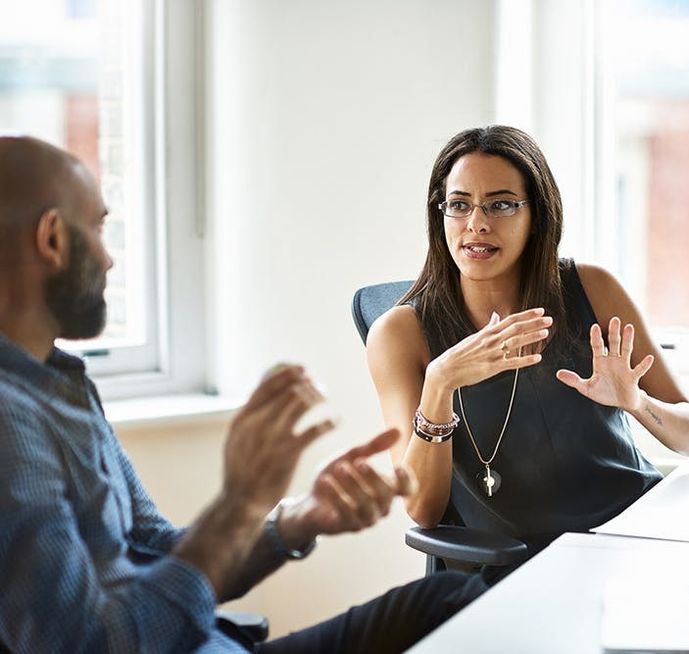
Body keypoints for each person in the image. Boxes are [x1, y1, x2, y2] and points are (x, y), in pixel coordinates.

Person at [0, 136, 485, 653]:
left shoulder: (61, 383)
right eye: (97, 229)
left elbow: (165, 555)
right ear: (52, 239)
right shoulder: (10, 420)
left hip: (214, 643)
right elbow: (88, 645)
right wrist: (239, 501)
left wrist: (299, 519)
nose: (109, 260)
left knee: (456, 599)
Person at [366, 125, 689, 572]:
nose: (477, 223)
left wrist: (637, 402)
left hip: (631, 541)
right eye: (459, 204)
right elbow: (423, 510)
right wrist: (439, 384)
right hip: (517, 568)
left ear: (537, 216)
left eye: (501, 204)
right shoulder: (400, 333)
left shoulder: (593, 288)